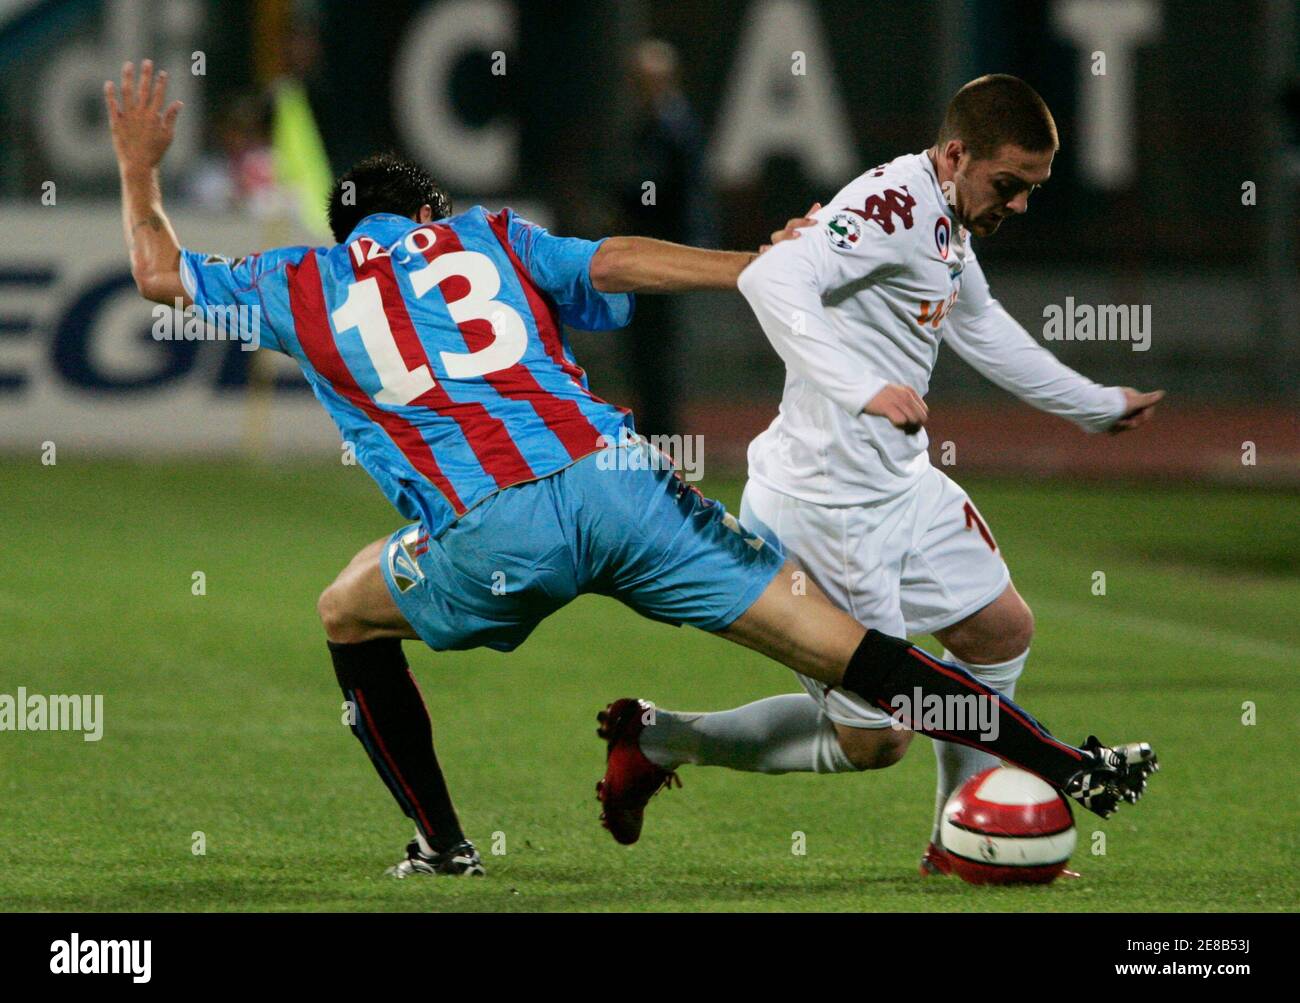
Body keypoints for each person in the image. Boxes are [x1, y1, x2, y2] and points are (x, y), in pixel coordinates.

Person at [107, 61, 1156, 879]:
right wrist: (757, 267)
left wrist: (140, 166)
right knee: (863, 659)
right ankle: (1065, 764)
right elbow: (612, 258)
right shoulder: (484, 235)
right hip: (627, 485)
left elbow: (157, 273)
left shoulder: (303, 278)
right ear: (427, 214)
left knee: (345, 609)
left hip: (493, 532)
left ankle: (442, 846)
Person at [596, 75, 1164, 873]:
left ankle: (956, 844)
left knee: (1001, 628)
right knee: (875, 739)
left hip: (900, 485)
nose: (1020, 205)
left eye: (1034, 190)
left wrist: (1093, 404)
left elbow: (982, 327)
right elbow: (769, 278)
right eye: (1009, 185)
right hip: (824, 506)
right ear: (958, 154)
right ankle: (658, 739)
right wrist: (862, 388)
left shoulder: (947, 217)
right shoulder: (894, 206)